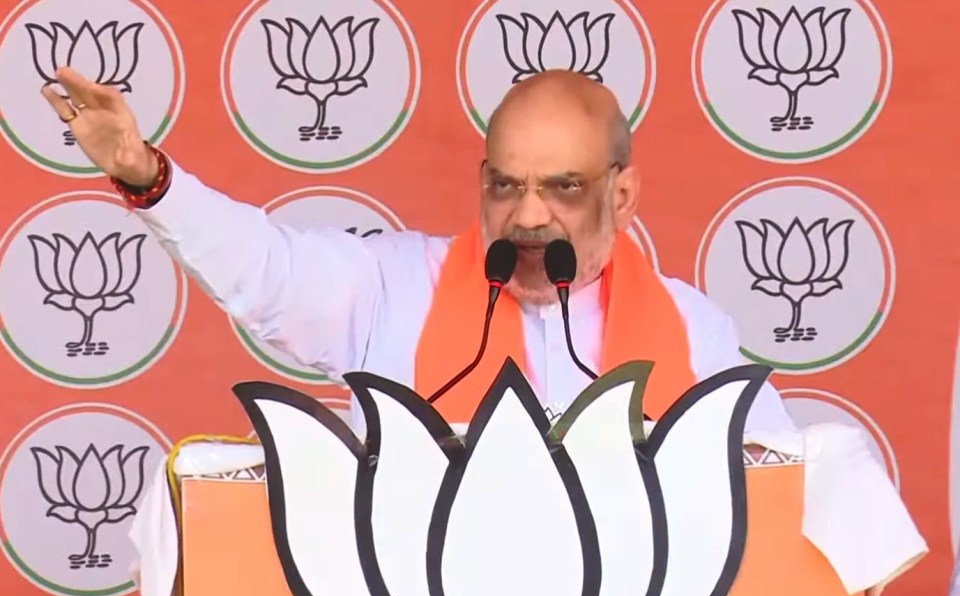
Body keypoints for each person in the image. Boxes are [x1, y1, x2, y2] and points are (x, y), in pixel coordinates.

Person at [41, 66, 795, 433]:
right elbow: (266, 270)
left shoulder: (694, 331)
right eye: (506, 186)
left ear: (621, 196)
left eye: (563, 188)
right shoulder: (392, 287)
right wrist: (147, 176)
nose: (528, 215)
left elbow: (776, 491)